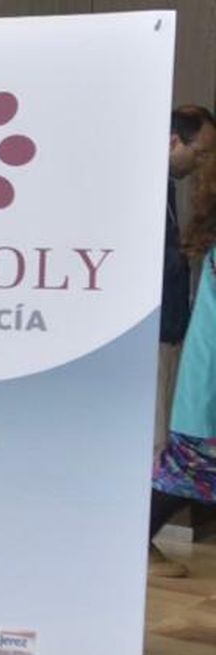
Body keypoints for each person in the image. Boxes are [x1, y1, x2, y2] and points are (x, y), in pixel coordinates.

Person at [150, 104, 216, 577]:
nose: (202, 159)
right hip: (201, 370)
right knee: (183, 469)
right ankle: (133, 540)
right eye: (201, 149)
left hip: (186, 348)